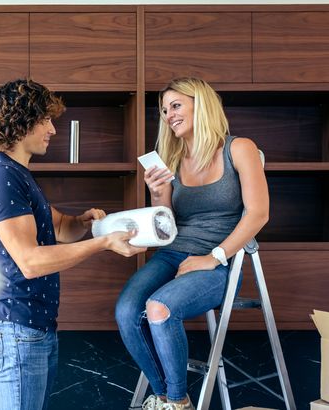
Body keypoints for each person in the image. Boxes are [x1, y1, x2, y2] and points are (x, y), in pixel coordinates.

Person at [0, 78, 146, 410]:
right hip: (16, 327)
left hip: (32, 326)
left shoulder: (17, 175)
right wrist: (104, 243)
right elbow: (31, 261)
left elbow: (60, 228)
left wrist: (85, 223)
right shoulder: (1, 179)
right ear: (21, 123)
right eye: (45, 120)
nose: (53, 129)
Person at [115, 77, 269, 410]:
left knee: (159, 308)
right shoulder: (169, 159)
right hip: (171, 254)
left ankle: (173, 401)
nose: (169, 115)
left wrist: (212, 257)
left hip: (218, 260)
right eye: (165, 110)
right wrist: (157, 193)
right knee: (127, 311)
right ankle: (170, 398)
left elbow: (258, 214)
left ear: (201, 104)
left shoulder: (239, 149)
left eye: (176, 105)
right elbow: (165, 227)